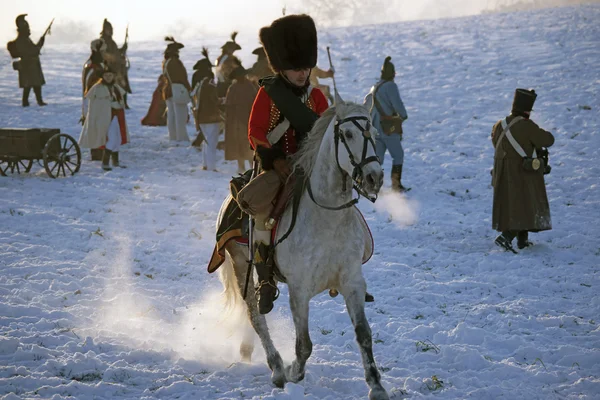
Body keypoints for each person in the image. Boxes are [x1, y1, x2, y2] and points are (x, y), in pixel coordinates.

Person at [246, 14, 329, 314]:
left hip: (311, 166)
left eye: (306, 67)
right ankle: (264, 279)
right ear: (281, 67)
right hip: (275, 167)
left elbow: (326, 131)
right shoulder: (267, 94)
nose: (303, 73)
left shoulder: (317, 96)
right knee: (262, 216)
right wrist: (273, 158)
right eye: (296, 68)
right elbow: (255, 131)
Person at [491, 89, 554, 252]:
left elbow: (496, 142)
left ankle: (522, 241)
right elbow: (547, 140)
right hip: (522, 173)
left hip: (503, 172)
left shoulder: (499, 124)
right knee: (526, 203)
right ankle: (506, 237)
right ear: (527, 110)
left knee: (518, 205)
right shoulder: (526, 125)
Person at [364, 56, 409, 192]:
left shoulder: (375, 86)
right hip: (388, 128)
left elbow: (366, 104)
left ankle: (373, 185)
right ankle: (396, 185)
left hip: (375, 128)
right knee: (398, 155)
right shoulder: (391, 86)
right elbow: (398, 105)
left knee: (377, 159)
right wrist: (403, 115)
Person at [79, 65, 130, 171]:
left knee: (117, 138)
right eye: (106, 75)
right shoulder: (97, 88)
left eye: (110, 75)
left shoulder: (115, 87)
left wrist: (118, 104)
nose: (108, 77)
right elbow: (96, 106)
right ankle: (105, 162)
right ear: (102, 76)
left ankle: (115, 161)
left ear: (113, 76)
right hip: (104, 118)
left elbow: (120, 101)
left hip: (116, 116)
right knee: (111, 138)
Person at [7, 14, 47, 107]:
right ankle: (29, 102)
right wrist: (41, 43)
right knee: (30, 84)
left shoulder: (24, 39)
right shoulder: (23, 40)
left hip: (30, 64)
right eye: (27, 28)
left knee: (33, 84)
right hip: (29, 65)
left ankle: (35, 101)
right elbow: (34, 50)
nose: (29, 30)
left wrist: (40, 42)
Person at [192, 50, 222, 171]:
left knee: (206, 142)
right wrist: (222, 101)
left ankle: (206, 164)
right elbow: (213, 101)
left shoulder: (200, 86)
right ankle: (211, 167)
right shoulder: (209, 86)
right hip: (211, 117)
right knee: (211, 143)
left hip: (201, 117)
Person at [225, 65, 257, 173]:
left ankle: (246, 166)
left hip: (239, 121)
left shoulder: (234, 88)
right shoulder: (250, 86)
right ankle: (248, 166)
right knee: (245, 143)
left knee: (242, 143)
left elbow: (229, 105)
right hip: (246, 119)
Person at [81, 38, 107, 160]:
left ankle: (101, 150)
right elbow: (90, 86)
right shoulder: (92, 67)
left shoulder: (98, 65)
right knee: (95, 125)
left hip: (100, 100)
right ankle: (96, 153)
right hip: (94, 100)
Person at [162, 37, 191, 142]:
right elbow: (181, 78)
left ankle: (173, 137)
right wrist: (189, 88)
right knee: (180, 116)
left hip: (169, 90)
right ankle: (181, 138)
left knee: (172, 116)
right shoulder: (175, 62)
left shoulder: (166, 62)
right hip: (177, 90)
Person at [100, 19, 131, 105]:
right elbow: (105, 55)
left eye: (111, 29)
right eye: (108, 29)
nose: (110, 31)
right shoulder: (103, 41)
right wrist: (118, 59)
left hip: (116, 66)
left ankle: (123, 101)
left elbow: (116, 52)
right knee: (118, 82)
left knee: (123, 82)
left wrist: (123, 48)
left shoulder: (111, 41)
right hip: (109, 67)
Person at [216, 32, 242, 98]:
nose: (233, 51)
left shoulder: (219, 58)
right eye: (233, 49)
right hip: (228, 86)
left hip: (220, 85)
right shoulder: (230, 58)